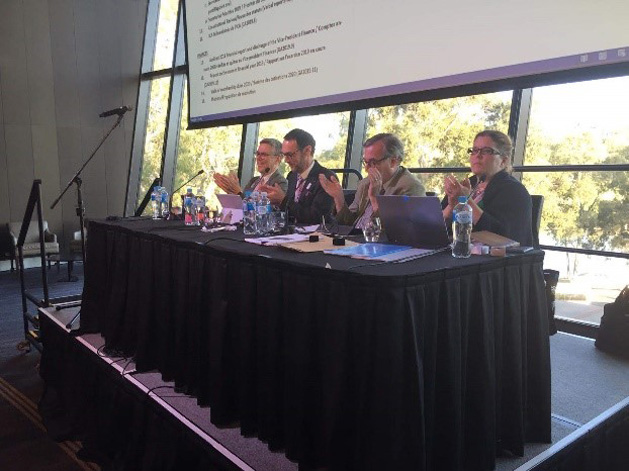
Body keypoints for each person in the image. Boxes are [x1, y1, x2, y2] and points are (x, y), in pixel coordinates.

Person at [442, 130, 533, 246]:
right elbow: (435, 228)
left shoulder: (514, 191)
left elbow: (500, 235)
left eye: (486, 151)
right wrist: (451, 206)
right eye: (474, 150)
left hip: (495, 255)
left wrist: (466, 201)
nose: (478, 155)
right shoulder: (465, 185)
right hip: (456, 250)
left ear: (503, 161)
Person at [319, 133, 425, 228]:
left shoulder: (410, 187)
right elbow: (349, 224)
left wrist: (374, 198)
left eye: (373, 162)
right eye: (365, 162)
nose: (366, 169)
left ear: (393, 162)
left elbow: (396, 231)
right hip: (354, 239)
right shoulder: (365, 183)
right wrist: (339, 198)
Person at [261, 128, 335, 225]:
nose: (286, 160)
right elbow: (290, 212)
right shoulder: (292, 176)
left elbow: (317, 218)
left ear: (307, 150)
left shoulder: (326, 178)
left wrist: (283, 200)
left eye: (290, 155)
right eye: (284, 155)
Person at [213, 138, 287, 196]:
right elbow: (243, 204)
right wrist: (231, 192)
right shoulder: (253, 181)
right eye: (257, 154)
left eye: (264, 155)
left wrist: (238, 193)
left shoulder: (280, 183)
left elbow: (267, 208)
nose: (258, 158)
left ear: (278, 158)